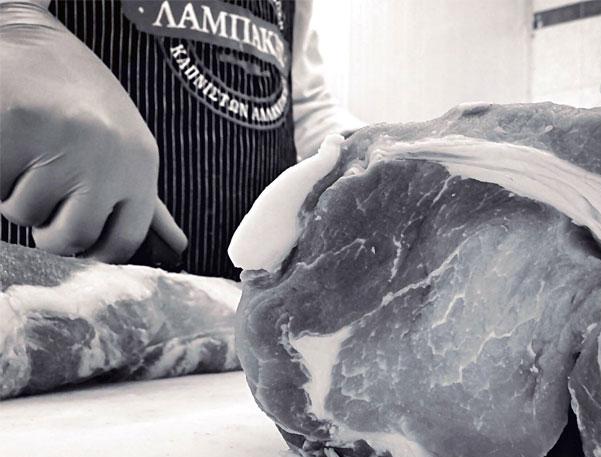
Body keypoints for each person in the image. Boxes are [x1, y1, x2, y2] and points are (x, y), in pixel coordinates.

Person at [0, 0, 362, 279]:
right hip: (52, 306)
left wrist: (364, 156)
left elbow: (302, 99)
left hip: (228, 317)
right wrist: (12, 25)